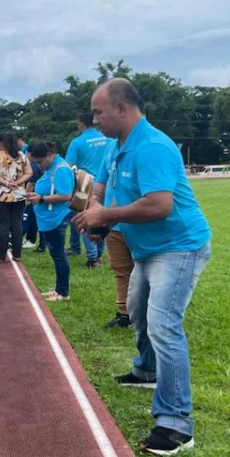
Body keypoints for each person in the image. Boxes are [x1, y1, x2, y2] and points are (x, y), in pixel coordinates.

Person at [74, 78, 212, 456]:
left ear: (122, 109)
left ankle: (176, 423)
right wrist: (97, 215)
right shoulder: (116, 146)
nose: (94, 118)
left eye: (99, 112)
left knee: (164, 325)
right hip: (147, 247)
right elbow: (101, 187)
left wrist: (107, 215)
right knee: (136, 310)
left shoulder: (152, 147)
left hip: (179, 246)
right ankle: (146, 371)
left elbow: (159, 205)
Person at [26, 143, 75, 302]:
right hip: (48, 218)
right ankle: (59, 288)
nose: (39, 165)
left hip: (56, 218)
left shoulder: (60, 169)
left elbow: (66, 195)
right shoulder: (52, 168)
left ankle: (63, 292)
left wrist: (41, 199)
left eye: (40, 162)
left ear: (49, 155)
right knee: (56, 255)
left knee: (59, 255)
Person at [93, 140, 133, 329]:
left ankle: (145, 315)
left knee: (143, 272)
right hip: (113, 225)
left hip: (135, 223)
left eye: (100, 113)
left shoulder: (145, 146)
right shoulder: (111, 147)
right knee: (121, 271)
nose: (97, 120)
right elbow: (101, 181)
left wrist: (104, 220)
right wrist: (95, 205)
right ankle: (123, 315)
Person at [66, 112, 112, 268]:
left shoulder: (77, 142)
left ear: (81, 124)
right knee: (103, 217)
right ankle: (99, 254)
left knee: (86, 218)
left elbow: (69, 166)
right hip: (106, 183)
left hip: (85, 183)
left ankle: (92, 258)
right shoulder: (109, 139)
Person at [0, 132, 33, 263]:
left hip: (1, 195)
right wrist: (18, 183)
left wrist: (6, 183)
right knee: (16, 224)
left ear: (2, 143)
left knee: (3, 225)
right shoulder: (22, 156)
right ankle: (17, 254)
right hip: (19, 195)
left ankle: (1, 256)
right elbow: (29, 172)